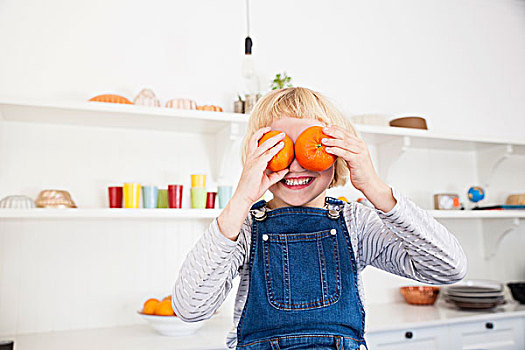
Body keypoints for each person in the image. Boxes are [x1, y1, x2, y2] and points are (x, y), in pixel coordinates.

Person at [172, 87, 467, 350]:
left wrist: (375, 187)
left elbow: (449, 268)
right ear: (257, 155)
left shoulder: (356, 224)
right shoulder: (244, 228)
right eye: (280, 148)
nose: (298, 165)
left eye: (312, 145)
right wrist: (241, 200)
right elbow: (189, 308)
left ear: (340, 154)